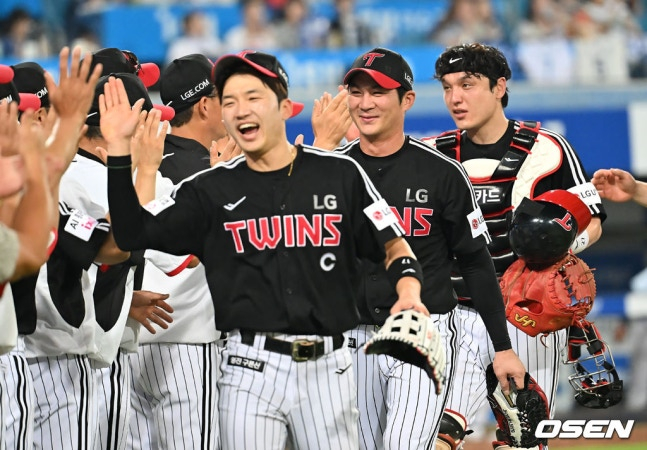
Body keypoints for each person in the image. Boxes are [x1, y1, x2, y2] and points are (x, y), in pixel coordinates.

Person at [104, 49, 427, 450]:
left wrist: (409, 290)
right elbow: (130, 234)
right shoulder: (209, 189)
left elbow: (394, 244)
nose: (240, 110)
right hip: (248, 367)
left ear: (285, 108)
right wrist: (120, 153)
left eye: (253, 97)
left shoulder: (340, 173)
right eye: (230, 101)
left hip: (328, 366)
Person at [315, 47, 525, 450]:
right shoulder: (330, 170)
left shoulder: (442, 172)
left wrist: (502, 348)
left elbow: (476, 264)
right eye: (356, 92)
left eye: (378, 92)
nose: (365, 103)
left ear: (406, 100)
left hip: (424, 332)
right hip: (352, 337)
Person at [425, 43, 606, 449]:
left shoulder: (549, 149)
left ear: (499, 87)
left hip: (528, 314)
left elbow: (592, 221)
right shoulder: (433, 155)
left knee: (524, 438)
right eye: (448, 87)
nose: (455, 98)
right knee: (434, 435)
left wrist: (564, 246)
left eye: (468, 85)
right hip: (455, 316)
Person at [128, 53, 227, 450]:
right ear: (204, 105)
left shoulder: (142, 158)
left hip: (129, 341)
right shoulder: (209, 171)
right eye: (225, 96)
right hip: (186, 344)